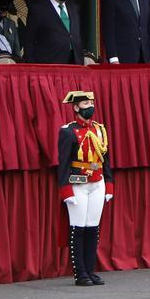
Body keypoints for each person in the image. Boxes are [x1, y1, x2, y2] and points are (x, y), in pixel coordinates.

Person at [57, 91, 113, 285]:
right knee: (78, 227)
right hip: (78, 183)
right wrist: (65, 190)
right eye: (85, 103)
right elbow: (63, 163)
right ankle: (80, 273)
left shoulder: (100, 129)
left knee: (93, 228)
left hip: (98, 182)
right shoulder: (68, 131)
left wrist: (109, 184)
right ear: (75, 107)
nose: (89, 106)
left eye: (91, 102)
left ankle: (90, 270)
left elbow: (105, 159)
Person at [26, 0, 85, 64]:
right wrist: (32, 65)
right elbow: (30, 40)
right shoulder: (38, 9)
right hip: (49, 63)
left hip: (74, 61)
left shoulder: (74, 8)